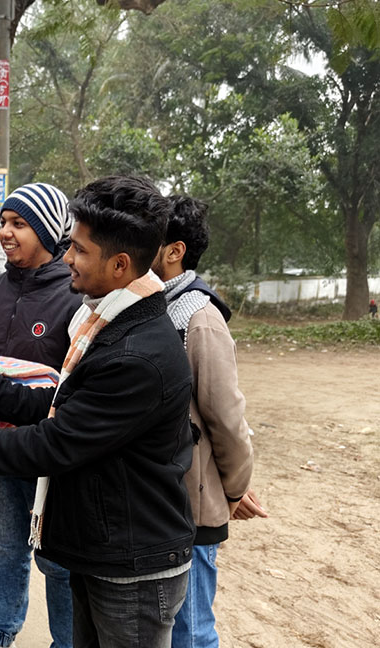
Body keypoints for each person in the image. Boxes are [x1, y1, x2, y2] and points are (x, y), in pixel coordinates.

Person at [0, 175, 196, 648]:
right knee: (8, 547)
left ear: (119, 264)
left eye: (77, 250)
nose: (67, 257)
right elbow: (56, 406)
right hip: (102, 545)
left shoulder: (135, 353)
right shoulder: (106, 322)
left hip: (129, 566)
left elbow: (53, 442)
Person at [152, 195, 268, 648]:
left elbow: (227, 420)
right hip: (162, 501)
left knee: (192, 629)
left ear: (175, 251)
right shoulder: (152, 304)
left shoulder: (198, 317)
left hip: (194, 507)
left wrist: (232, 490)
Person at [0, 182, 78, 648]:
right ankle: (2, 632)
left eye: (19, 224)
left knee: (56, 558)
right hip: (0, 447)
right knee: (8, 546)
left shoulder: (75, 294)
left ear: (48, 229)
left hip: (53, 452)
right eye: (3, 223)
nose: (5, 233)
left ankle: (66, 641)